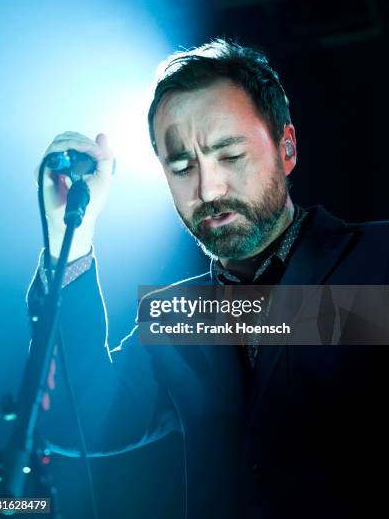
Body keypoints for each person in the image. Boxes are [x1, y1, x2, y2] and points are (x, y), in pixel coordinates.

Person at [28, 39, 389, 519]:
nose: (207, 189)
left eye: (230, 155)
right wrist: (67, 242)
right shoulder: (182, 316)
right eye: (181, 167)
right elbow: (80, 423)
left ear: (286, 148)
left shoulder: (377, 259)